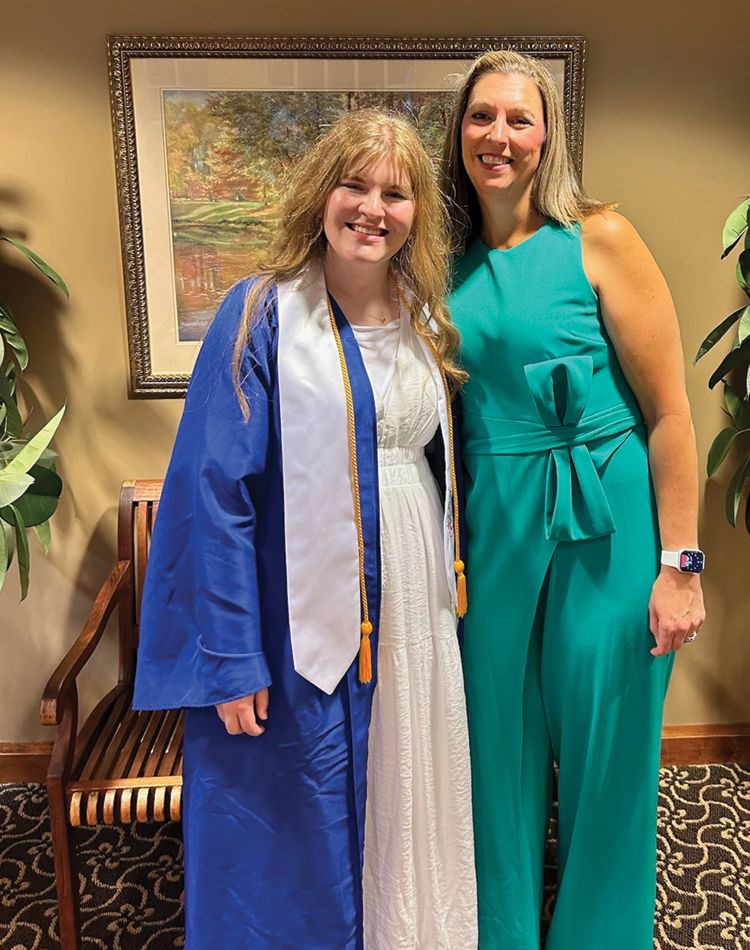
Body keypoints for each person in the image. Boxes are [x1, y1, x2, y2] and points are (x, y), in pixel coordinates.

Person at [133, 109, 477, 950]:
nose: (372, 207)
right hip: (300, 618)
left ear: (416, 215)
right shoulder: (258, 317)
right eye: (353, 185)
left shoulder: (425, 323)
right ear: (319, 194)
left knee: (407, 786)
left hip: (412, 604)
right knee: (299, 812)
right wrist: (231, 658)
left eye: (395, 193)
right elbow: (213, 495)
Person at [441, 50, 706, 950]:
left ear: (548, 134)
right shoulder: (442, 261)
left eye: (520, 118)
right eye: (483, 117)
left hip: (611, 519)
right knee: (496, 759)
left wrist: (682, 567)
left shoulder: (601, 236)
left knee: (607, 759)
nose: (500, 136)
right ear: (461, 131)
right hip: (497, 524)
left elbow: (672, 415)